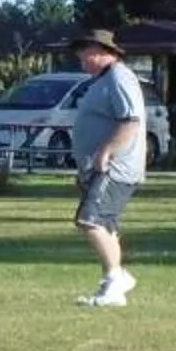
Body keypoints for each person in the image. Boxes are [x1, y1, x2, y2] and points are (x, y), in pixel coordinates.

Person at [64, 28, 148, 306]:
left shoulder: (119, 77)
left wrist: (105, 151)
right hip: (98, 168)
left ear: (102, 51)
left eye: (84, 52)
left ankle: (116, 278)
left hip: (116, 167)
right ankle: (113, 284)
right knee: (106, 226)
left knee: (91, 220)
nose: (80, 57)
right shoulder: (103, 80)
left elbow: (131, 121)